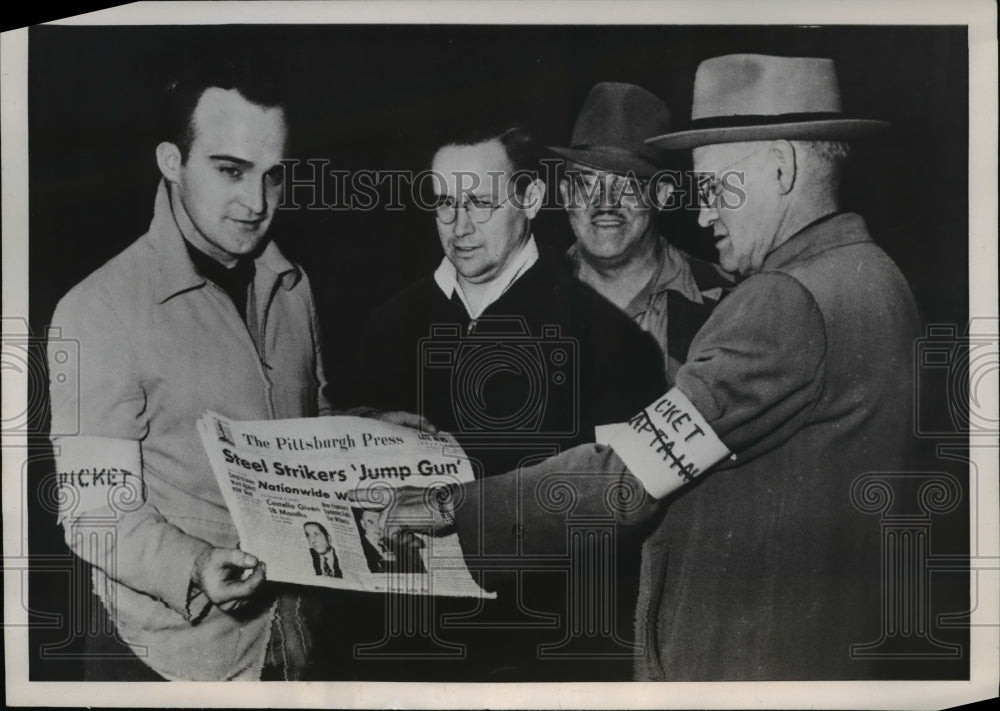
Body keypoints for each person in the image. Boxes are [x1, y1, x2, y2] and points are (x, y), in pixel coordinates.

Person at [385, 54, 921, 680]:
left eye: (717, 187)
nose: (703, 214)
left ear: (781, 168)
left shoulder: (784, 300)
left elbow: (629, 473)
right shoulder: (879, 277)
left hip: (742, 668)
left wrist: (454, 507)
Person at [46, 56, 423, 682]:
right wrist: (193, 566)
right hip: (167, 661)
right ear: (171, 162)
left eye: (274, 177)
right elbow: (93, 512)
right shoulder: (99, 309)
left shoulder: (292, 287)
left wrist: (380, 436)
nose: (257, 202)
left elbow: (309, 426)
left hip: (294, 641)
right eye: (231, 171)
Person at [353, 123, 667, 681]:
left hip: (542, 659)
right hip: (406, 655)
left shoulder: (612, 342)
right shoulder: (387, 325)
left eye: (479, 202)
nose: (459, 226)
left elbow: (620, 518)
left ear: (532, 198)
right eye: (444, 203)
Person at [548, 82, 731, 382]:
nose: (605, 202)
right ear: (566, 194)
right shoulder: (520, 297)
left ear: (661, 195)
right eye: (587, 183)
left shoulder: (725, 301)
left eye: (627, 183)